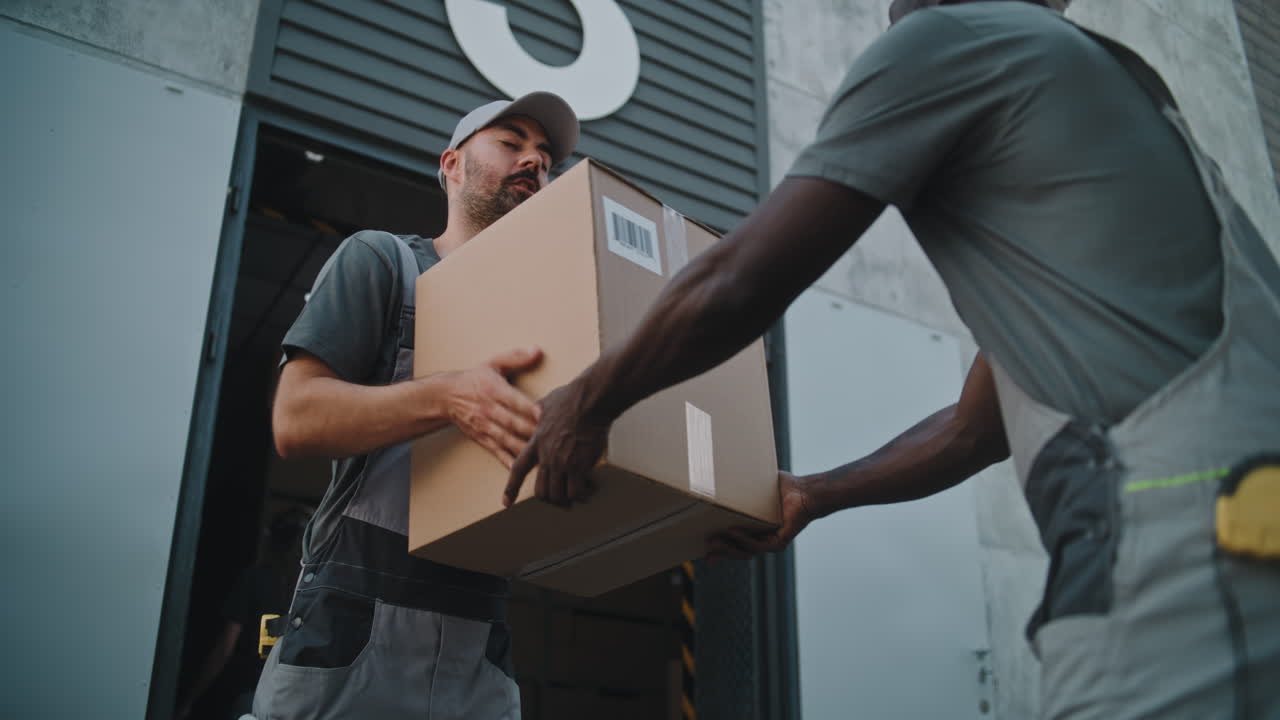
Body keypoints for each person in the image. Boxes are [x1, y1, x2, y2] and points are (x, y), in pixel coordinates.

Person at [505, 2, 1280, 718]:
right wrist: (815, 494)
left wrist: (591, 400)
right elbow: (974, 430)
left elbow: (742, 278)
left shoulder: (958, 40)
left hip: (1181, 548)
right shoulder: (1103, 108)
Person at [254, 92, 579, 720]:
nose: (534, 162)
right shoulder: (383, 262)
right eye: (511, 143)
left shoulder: (548, 318)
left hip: (479, 638)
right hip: (354, 624)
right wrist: (449, 396)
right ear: (452, 165)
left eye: (545, 159)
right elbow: (296, 419)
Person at [177, 508, 310, 720]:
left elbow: (224, 648)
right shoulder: (310, 590)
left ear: (271, 540)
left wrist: (189, 700)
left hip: (250, 694)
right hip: (292, 699)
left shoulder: (255, 578)